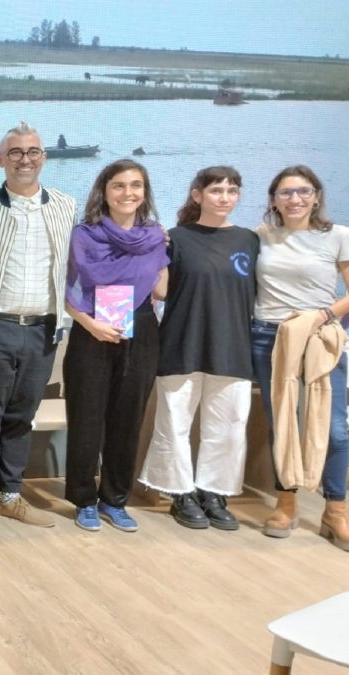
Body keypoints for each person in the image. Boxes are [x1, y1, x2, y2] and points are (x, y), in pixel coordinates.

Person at [0, 121, 77, 536]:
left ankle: (11, 495)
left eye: (32, 152)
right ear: (0, 160)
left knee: (20, 417)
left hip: (43, 330)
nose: (24, 159)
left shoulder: (65, 204)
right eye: (15, 153)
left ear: (43, 157)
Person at [138, 166, 259, 531]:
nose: (224, 197)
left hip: (232, 344)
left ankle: (213, 491)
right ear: (197, 195)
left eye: (232, 191)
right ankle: (180, 492)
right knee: (174, 422)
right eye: (216, 190)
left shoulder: (249, 240)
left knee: (229, 425)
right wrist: (152, 247)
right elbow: (160, 292)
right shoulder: (174, 238)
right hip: (181, 340)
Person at [252, 165, 349, 552]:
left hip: (319, 336)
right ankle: (286, 503)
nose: (295, 199)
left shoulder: (339, 236)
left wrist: (322, 316)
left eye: (303, 191)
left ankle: (335, 510)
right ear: (273, 199)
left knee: (332, 428)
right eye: (285, 192)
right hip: (269, 337)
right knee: (281, 422)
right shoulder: (261, 237)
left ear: (316, 196)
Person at [63, 160, 168, 533]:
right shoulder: (84, 235)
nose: (128, 193)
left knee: (128, 420)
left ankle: (115, 499)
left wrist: (166, 249)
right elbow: (67, 293)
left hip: (139, 327)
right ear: (104, 192)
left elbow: (161, 290)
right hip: (91, 329)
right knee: (87, 418)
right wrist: (91, 325)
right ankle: (83, 500)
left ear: (145, 191)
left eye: (136, 185)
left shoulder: (155, 236)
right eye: (119, 186)